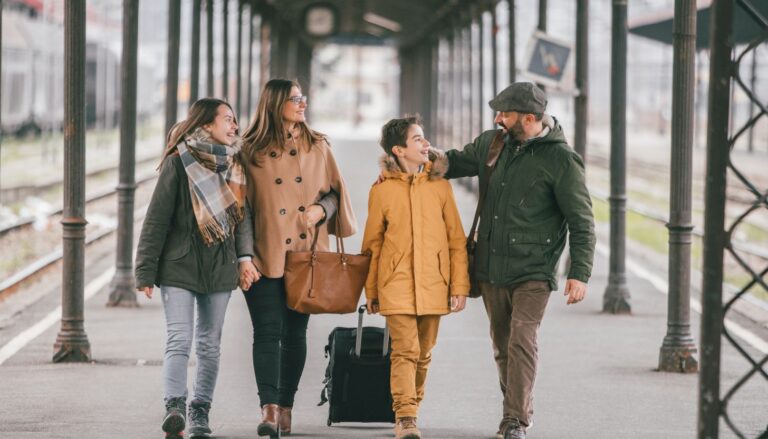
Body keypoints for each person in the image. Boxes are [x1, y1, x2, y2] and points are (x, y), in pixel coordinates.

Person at [442, 83, 596, 439]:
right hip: (491, 265)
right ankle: (517, 406)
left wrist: (579, 273)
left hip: (534, 270)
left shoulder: (562, 160)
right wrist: (408, 161)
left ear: (529, 118)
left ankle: (514, 421)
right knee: (501, 342)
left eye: (504, 114)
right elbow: (452, 162)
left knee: (521, 339)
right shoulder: (492, 143)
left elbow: (582, 221)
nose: (497, 119)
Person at [237, 78, 357, 437]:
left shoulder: (318, 146)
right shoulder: (249, 150)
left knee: (294, 334)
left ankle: (286, 405)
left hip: (306, 256)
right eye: (295, 98)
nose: (303, 103)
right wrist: (244, 256)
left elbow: (336, 192)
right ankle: (269, 410)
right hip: (264, 253)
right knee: (266, 332)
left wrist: (322, 209)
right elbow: (240, 210)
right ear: (276, 104)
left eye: (303, 97)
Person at [135, 98, 253, 439]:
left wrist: (245, 258)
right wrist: (144, 271)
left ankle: (200, 410)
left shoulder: (235, 164)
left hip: (220, 265)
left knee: (209, 343)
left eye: (234, 120)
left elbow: (242, 220)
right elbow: (156, 220)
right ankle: (175, 406)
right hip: (179, 266)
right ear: (207, 124)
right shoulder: (178, 162)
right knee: (179, 338)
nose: (234, 126)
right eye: (227, 120)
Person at [362, 115, 470, 439]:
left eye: (424, 138)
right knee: (405, 350)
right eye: (417, 139)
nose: (426, 144)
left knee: (424, 353)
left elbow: (456, 240)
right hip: (394, 283)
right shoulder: (381, 191)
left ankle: (412, 409)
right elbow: (373, 244)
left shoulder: (440, 187)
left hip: (434, 282)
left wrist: (459, 285)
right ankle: (405, 416)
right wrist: (371, 291)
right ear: (399, 149)